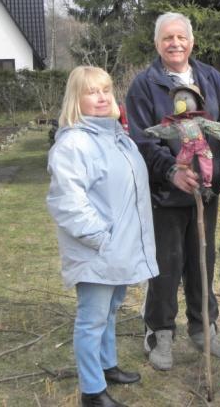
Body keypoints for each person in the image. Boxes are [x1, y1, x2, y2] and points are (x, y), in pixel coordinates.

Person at [125, 12, 220, 371]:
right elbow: (141, 140)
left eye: (180, 37)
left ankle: (204, 329)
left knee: (203, 261)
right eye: (167, 38)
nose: (175, 43)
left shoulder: (211, 78)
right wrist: (171, 171)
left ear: (191, 42)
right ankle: (160, 333)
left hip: (206, 192)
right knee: (167, 265)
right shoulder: (144, 85)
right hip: (164, 195)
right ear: (157, 44)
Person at [47, 66, 158, 407]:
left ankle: (107, 365)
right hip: (98, 250)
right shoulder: (75, 143)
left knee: (110, 310)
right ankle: (91, 391)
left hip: (119, 248)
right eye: (91, 92)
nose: (101, 97)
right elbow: (68, 202)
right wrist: (101, 238)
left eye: (105, 90)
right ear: (76, 99)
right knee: (92, 319)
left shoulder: (117, 136)